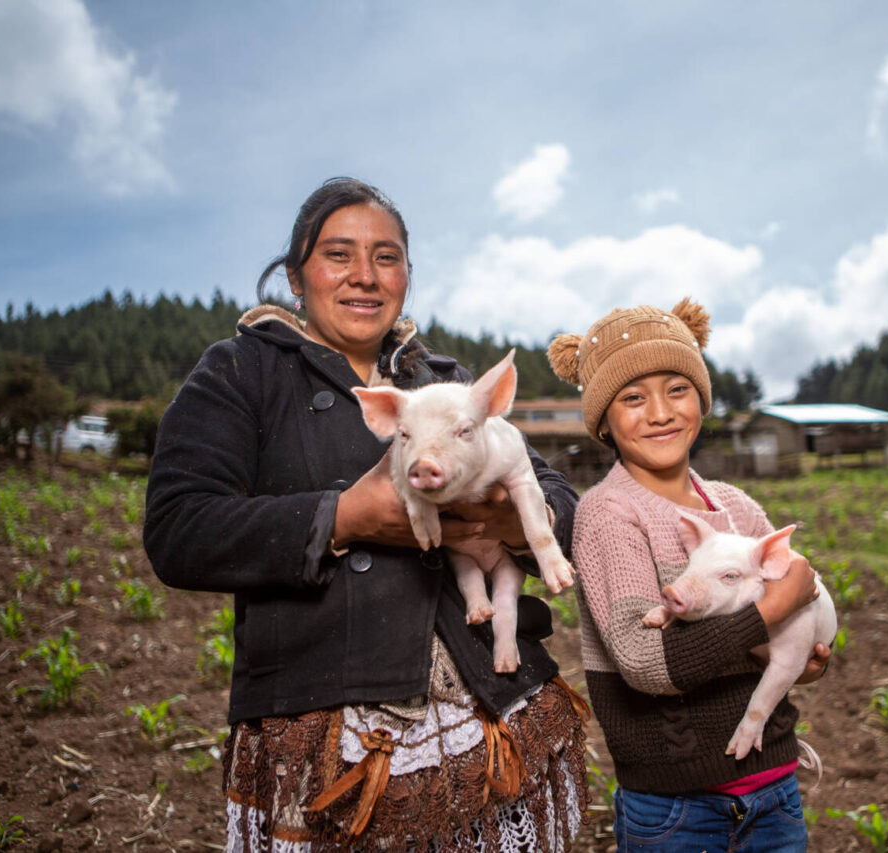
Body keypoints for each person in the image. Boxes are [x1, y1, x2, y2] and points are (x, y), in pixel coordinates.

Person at [144, 177, 588, 852]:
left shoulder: (441, 378)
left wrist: (506, 523)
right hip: (328, 711)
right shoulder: (241, 373)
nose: (365, 276)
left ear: (407, 274)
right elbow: (180, 528)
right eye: (338, 254)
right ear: (296, 277)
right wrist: (342, 516)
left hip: (487, 702)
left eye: (386, 256)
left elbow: (560, 501)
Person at [546, 298, 829, 853]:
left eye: (677, 389)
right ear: (603, 419)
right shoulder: (609, 515)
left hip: (774, 787)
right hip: (675, 805)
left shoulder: (735, 508)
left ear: (701, 399)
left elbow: (798, 634)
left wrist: (804, 659)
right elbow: (645, 663)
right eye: (632, 398)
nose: (660, 412)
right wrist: (771, 614)